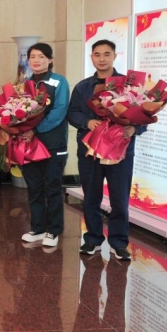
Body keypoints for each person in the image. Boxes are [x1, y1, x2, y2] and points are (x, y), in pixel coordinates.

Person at [68, 39, 145, 261]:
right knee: (91, 196)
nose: (102, 59)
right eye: (97, 54)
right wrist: (87, 122)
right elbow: (72, 113)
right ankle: (92, 239)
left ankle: (118, 243)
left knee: (119, 198)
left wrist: (134, 128)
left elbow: (143, 114)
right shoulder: (83, 87)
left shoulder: (129, 87)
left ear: (114, 56)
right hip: (90, 150)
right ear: (91, 57)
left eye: (106, 54)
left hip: (120, 151)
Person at [18, 42, 69, 248]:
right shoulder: (24, 85)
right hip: (29, 145)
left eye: (41, 56)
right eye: (32, 57)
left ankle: (53, 230)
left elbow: (59, 111)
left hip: (52, 144)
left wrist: (35, 130)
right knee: (34, 188)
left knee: (52, 187)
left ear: (50, 60)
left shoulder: (59, 81)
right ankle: (37, 228)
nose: (36, 60)